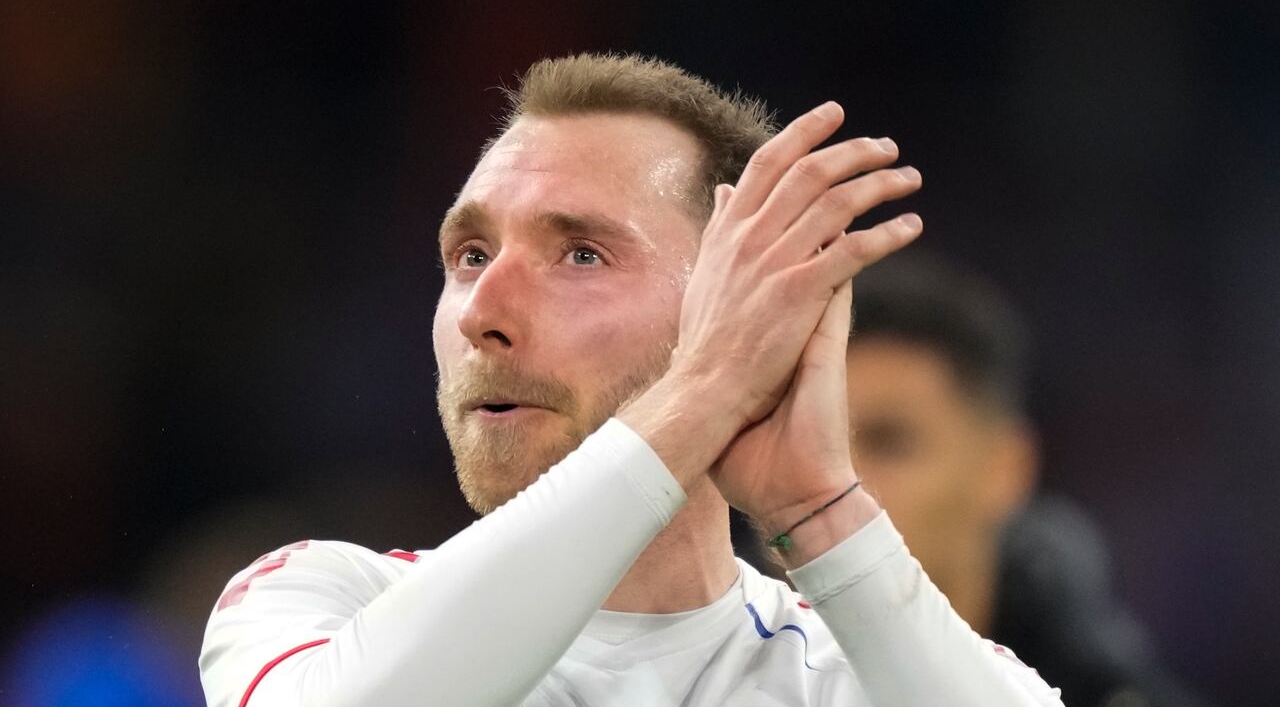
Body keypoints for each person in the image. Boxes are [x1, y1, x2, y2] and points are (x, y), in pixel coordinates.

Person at [199, 53, 1064, 706]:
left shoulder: (865, 675)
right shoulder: (312, 600)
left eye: (580, 253)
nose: (480, 313)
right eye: (469, 255)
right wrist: (705, 394)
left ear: (742, 310)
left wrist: (820, 516)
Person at [845, 253, 1208, 706]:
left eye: (889, 442)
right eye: (812, 442)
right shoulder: (731, 665)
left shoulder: (1108, 694)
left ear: (1003, 469)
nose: (835, 481)